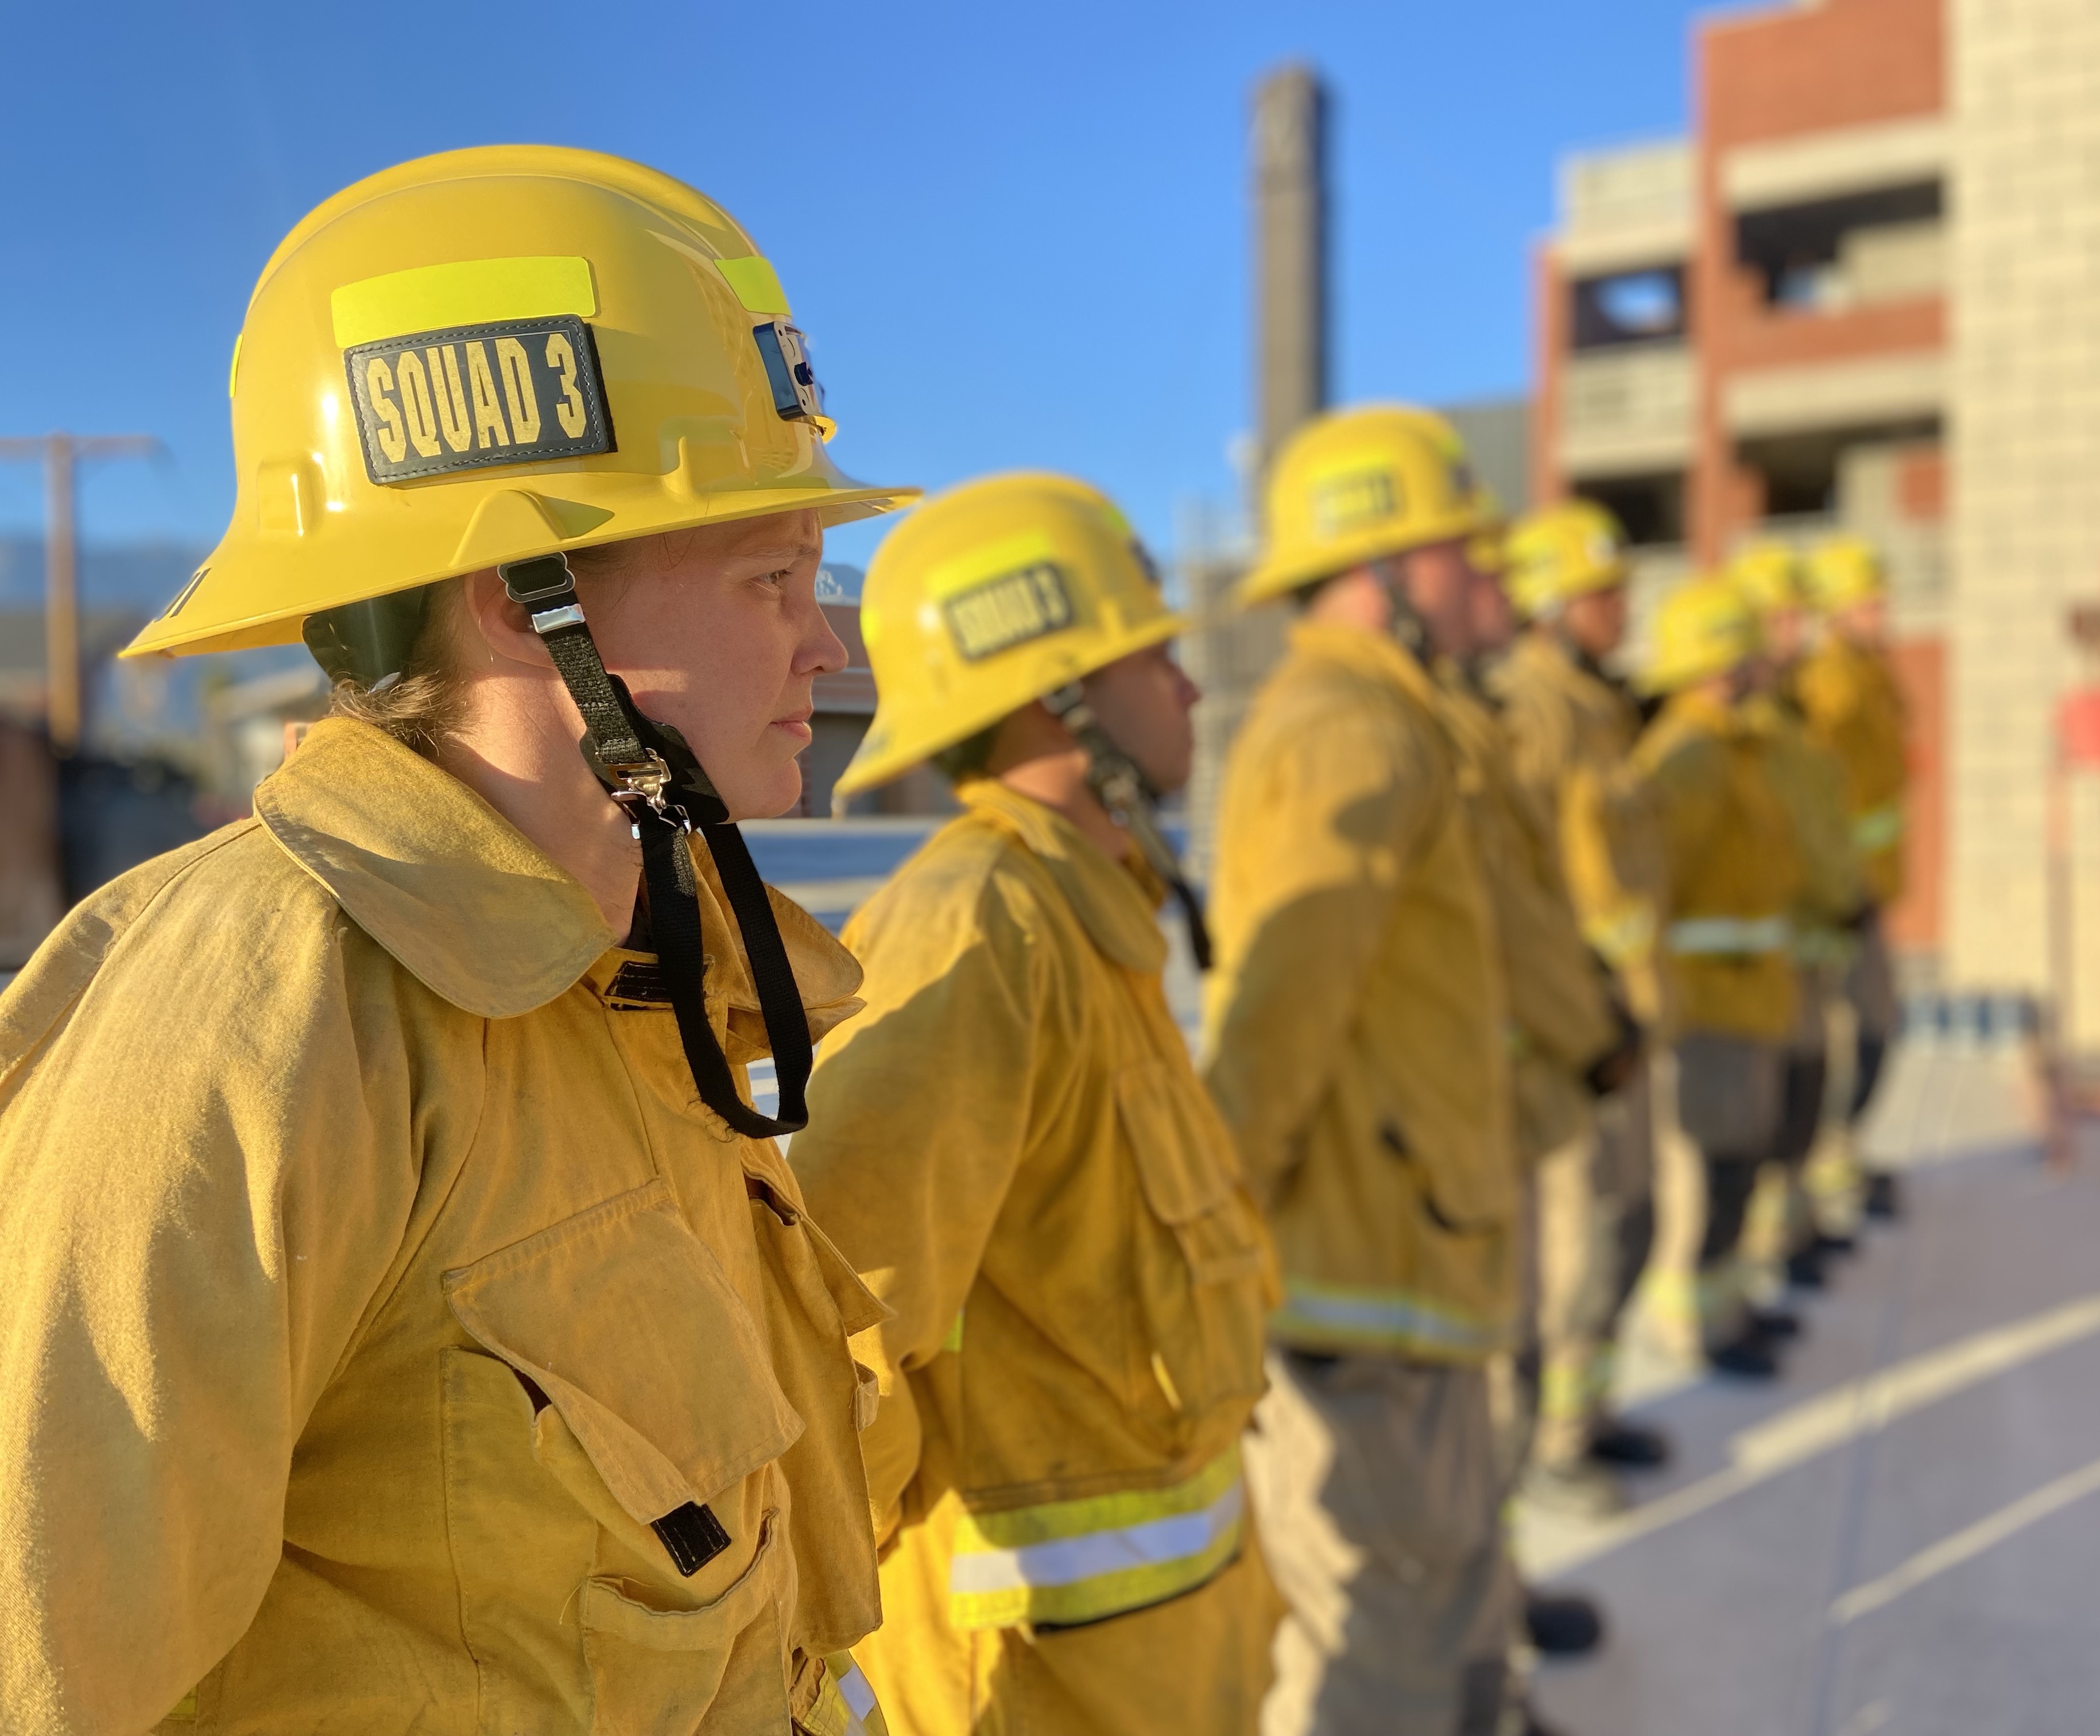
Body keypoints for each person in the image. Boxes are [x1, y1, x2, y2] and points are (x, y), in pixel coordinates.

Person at [0, 147, 910, 1735]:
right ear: (519, 594)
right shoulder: (263, 1013)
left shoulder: (635, 984)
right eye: (773, 577)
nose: (821, 646)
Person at [786, 474, 1280, 1736]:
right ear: (1057, 694)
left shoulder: (1088, 921)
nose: (1191, 687)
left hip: (1158, 1663)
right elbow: (848, 1340)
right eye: (1152, 654)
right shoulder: (979, 930)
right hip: (1030, 1689)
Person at [1204, 404, 1532, 1736]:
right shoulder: (1351, 731)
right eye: (1460, 550)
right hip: (1359, 1276)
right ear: (1381, 569)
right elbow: (1279, 1020)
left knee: (1437, 1587)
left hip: (1407, 1247)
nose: (1485, 575)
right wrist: (1221, 1238)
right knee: (1384, 1632)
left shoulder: (1396, 720)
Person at [1491, 501, 1676, 1491]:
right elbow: (1525, 890)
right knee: (1584, 1239)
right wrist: (1581, 1016)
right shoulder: (1532, 710)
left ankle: (1588, 1413)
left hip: (1623, 1022)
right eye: (1603, 592)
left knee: (1631, 1227)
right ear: (1551, 603)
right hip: (1575, 1035)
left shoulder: (1598, 706)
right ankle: (1556, 1447)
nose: (1621, 609)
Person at [1630, 577, 1804, 1380]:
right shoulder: (1687, 759)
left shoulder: (1732, 748)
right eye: (1747, 652)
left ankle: (1727, 1305)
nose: (1764, 665)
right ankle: (1696, 1325)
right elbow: (1657, 885)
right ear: (1717, 665)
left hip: (1747, 996)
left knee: (1740, 1165)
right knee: (1711, 1175)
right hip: (1709, 1003)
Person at [1726, 542, 1867, 1293]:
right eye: (1782, 619)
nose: (1798, 633)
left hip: (1810, 938)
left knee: (1807, 1092)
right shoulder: (1739, 726)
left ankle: (1786, 1234)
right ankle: (1757, 1256)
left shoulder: (1795, 710)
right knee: (1763, 1110)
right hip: (1763, 953)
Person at [1797, 535, 1911, 1222]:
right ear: (1838, 612)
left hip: (1866, 887)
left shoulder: (1870, 675)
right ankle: (1829, 1166)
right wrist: (1842, 885)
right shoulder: (1835, 683)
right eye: (1869, 602)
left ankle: (1839, 1158)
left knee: (1874, 1025)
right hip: (1847, 892)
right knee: (1858, 1030)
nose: (1883, 612)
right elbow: (1824, 796)